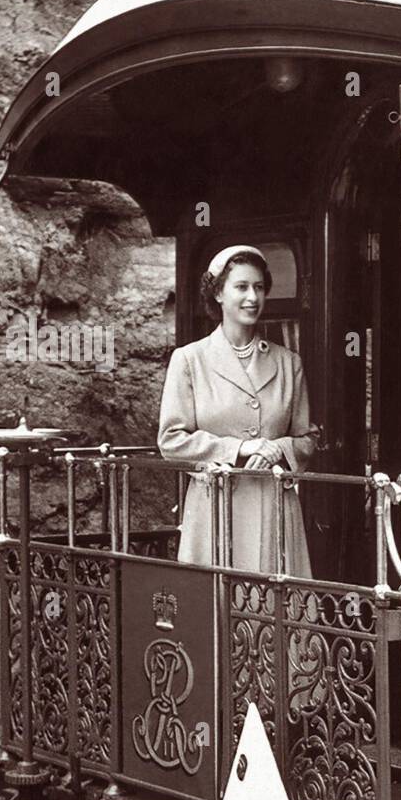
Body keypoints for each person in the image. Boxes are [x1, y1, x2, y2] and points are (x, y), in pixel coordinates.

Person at [158, 244, 316, 574]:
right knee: (217, 607)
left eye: (259, 287)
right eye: (241, 287)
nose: (252, 297)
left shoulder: (288, 363)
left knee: (273, 611)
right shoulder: (190, 360)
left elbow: (307, 439)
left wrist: (278, 449)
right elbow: (171, 440)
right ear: (218, 293)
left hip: (275, 509)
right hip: (215, 509)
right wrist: (240, 448)